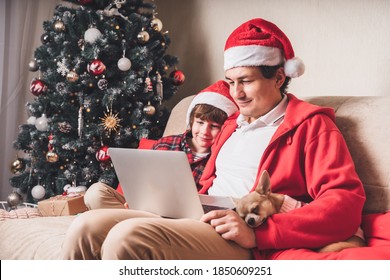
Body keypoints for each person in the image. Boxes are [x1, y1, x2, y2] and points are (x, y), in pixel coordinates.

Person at [61, 18, 365, 260]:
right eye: (231, 82)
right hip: (199, 213)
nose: (237, 93)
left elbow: (344, 205)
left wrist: (261, 233)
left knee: (128, 237)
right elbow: (205, 180)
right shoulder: (231, 124)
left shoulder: (310, 126)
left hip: (242, 231)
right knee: (85, 226)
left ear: (279, 77)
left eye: (246, 81)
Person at [83, 80, 238, 210]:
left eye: (214, 126)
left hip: (179, 215)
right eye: (200, 122)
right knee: (95, 192)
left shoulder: (221, 157)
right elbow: (145, 179)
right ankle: (125, 217)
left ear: (223, 128)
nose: (205, 131)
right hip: (146, 206)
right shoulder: (167, 143)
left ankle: (123, 221)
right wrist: (137, 198)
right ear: (191, 122)